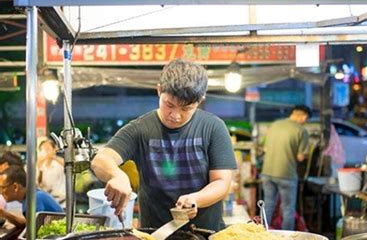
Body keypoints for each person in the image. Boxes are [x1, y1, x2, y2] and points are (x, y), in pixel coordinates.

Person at [91, 59, 237, 231]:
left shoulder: (213, 127)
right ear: (159, 90)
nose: (175, 115)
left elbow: (221, 182)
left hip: (205, 235)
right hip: (155, 237)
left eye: (186, 109)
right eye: (169, 105)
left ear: (200, 101)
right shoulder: (140, 129)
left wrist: (196, 199)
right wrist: (117, 176)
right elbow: (100, 160)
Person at [261, 105, 311, 230]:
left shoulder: (275, 125)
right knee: (288, 208)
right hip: (286, 174)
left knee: (268, 205)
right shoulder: (301, 131)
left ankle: (261, 234)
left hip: (267, 172)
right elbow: (300, 157)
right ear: (303, 116)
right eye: (306, 118)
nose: (305, 121)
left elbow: (265, 148)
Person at [37, 138, 66, 203]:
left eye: (48, 149)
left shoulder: (59, 164)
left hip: (61, 200)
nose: (46, 152)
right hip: (46, 201)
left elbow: (67, 165)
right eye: (43, 150)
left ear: (54, 150)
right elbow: (38, 183)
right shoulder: (41, 166)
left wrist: (53, 156)